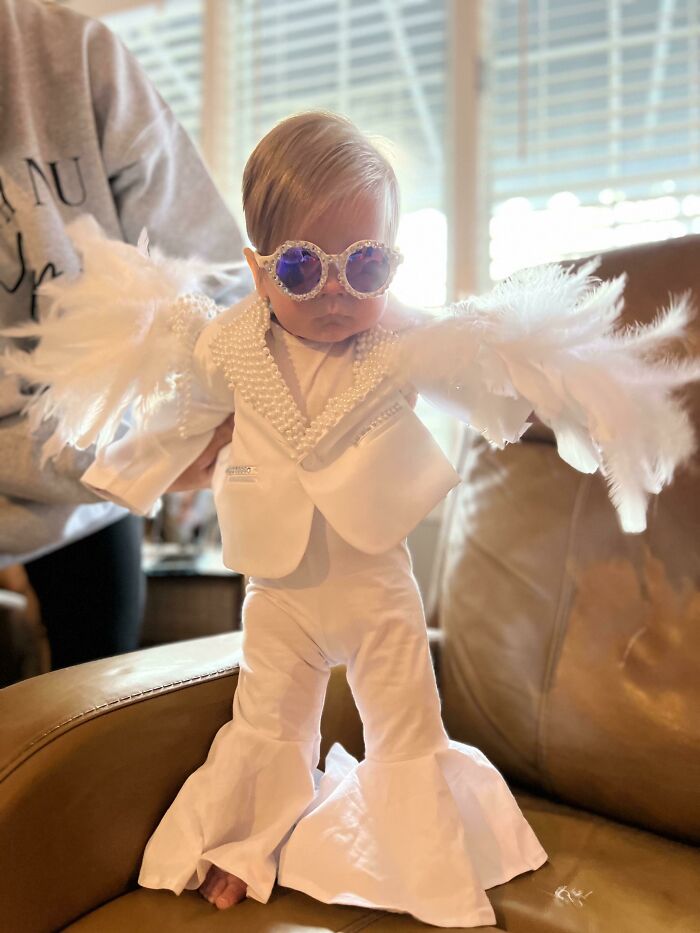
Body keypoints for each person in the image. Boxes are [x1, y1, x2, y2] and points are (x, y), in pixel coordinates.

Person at [4, 111, 696, 927]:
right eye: (303, 267)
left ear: (392, 262)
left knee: (406, 725)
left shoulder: (404, 338)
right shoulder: (227, 344)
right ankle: (240, 846)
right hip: (278, 587)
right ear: (259, 270)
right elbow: (179, 422)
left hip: (376, 586)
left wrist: (570, 400)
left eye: (365, 264)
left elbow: (492, 379)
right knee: (267, 719)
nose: (337, 289)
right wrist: (124, 478)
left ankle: (430, 869)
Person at [0, 0, 244, 669]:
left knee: (100, 696)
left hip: (97, 495)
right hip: (98, 461)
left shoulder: (78, 58)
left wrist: (188, 423)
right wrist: (130, 458)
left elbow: (215, 280)